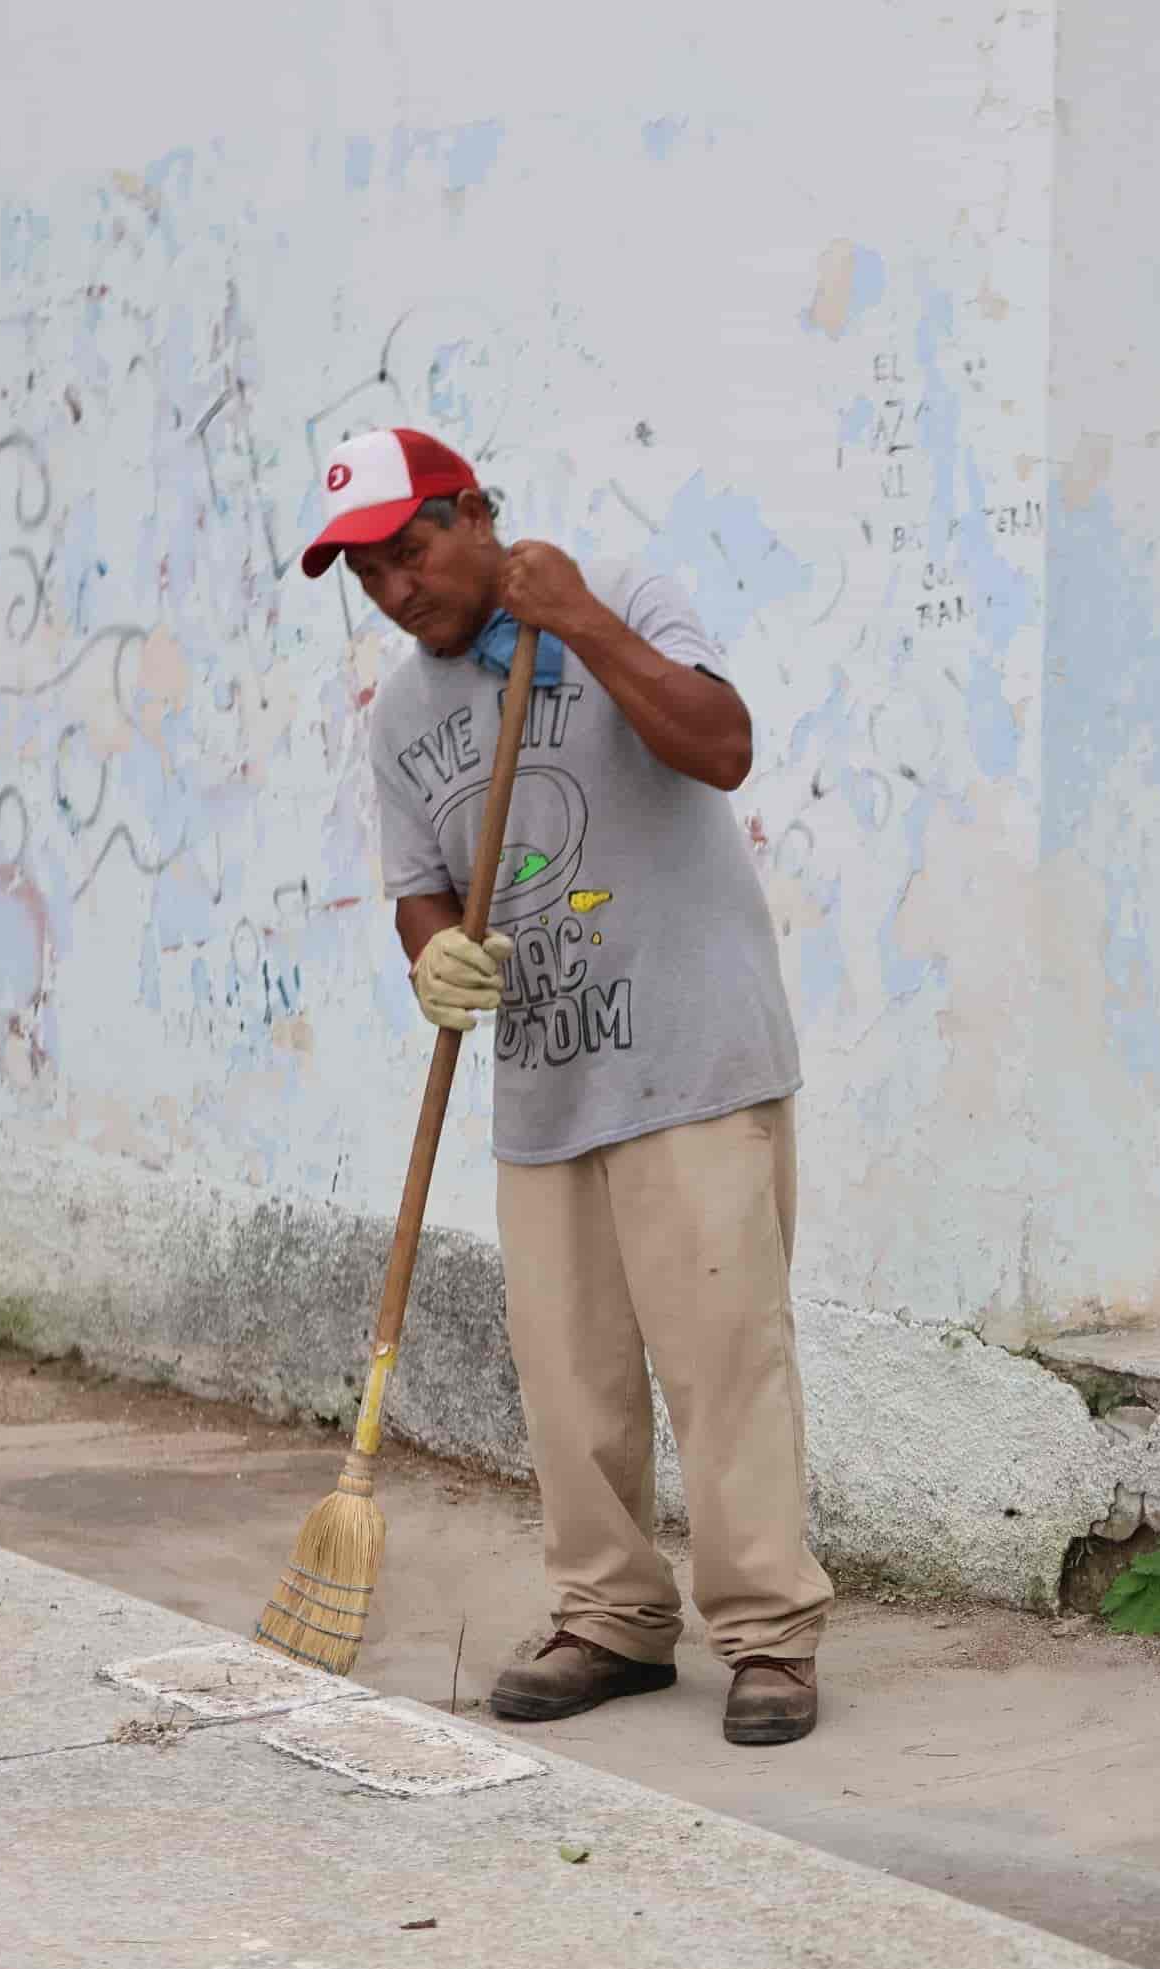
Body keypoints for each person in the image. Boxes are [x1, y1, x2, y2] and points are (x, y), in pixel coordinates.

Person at [301, 426, 830, 1745]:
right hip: (546, 1075)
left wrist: (582, 621)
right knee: (569, 1379)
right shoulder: (403, 717)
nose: (395, 587)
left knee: (725, 1363)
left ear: (476, 511)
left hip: (694, 1058)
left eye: (409, 547)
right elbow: (420, 891)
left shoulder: (628, 595)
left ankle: (767, 1636)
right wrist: (435, 963)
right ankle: (608, 1618)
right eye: (364, 573)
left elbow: (721, 746)